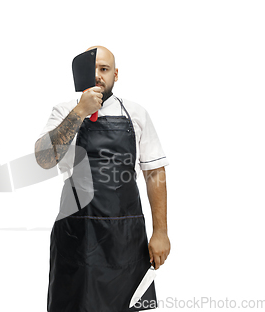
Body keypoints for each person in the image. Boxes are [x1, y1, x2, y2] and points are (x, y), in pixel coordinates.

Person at [35, 46, 170, 312]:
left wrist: (161, 232)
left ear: (115, 75)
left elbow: (154, 172)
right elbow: (44, 160)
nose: (97, 75)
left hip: (125, 239)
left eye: (104, 69)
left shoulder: (136, 114)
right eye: (92, 69)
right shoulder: (64, 111)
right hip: (77, 235)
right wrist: (79, 113)